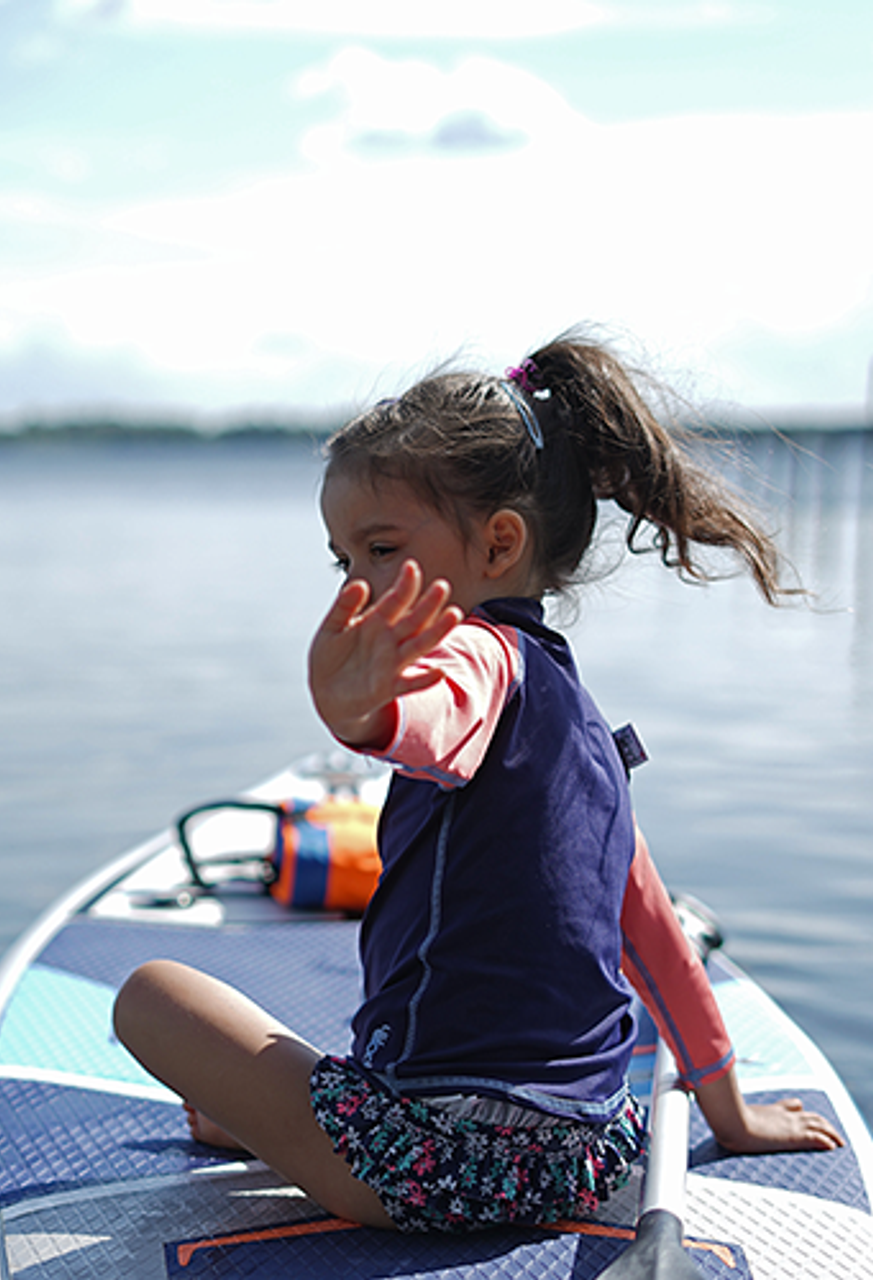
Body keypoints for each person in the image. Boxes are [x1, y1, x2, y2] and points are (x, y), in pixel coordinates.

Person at [112, 332, 844, 1233]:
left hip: (432, 1161)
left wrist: (361, 717)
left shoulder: (477, 658)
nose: (361, 584)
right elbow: (657, 941)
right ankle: (273, 1120)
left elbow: (434, 715)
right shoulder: (594, 748)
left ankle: (275, 1125)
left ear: (499, 544)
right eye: (344, 561)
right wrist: (731, 1114)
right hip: (587, 1153)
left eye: (381, 548)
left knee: (151, 993)